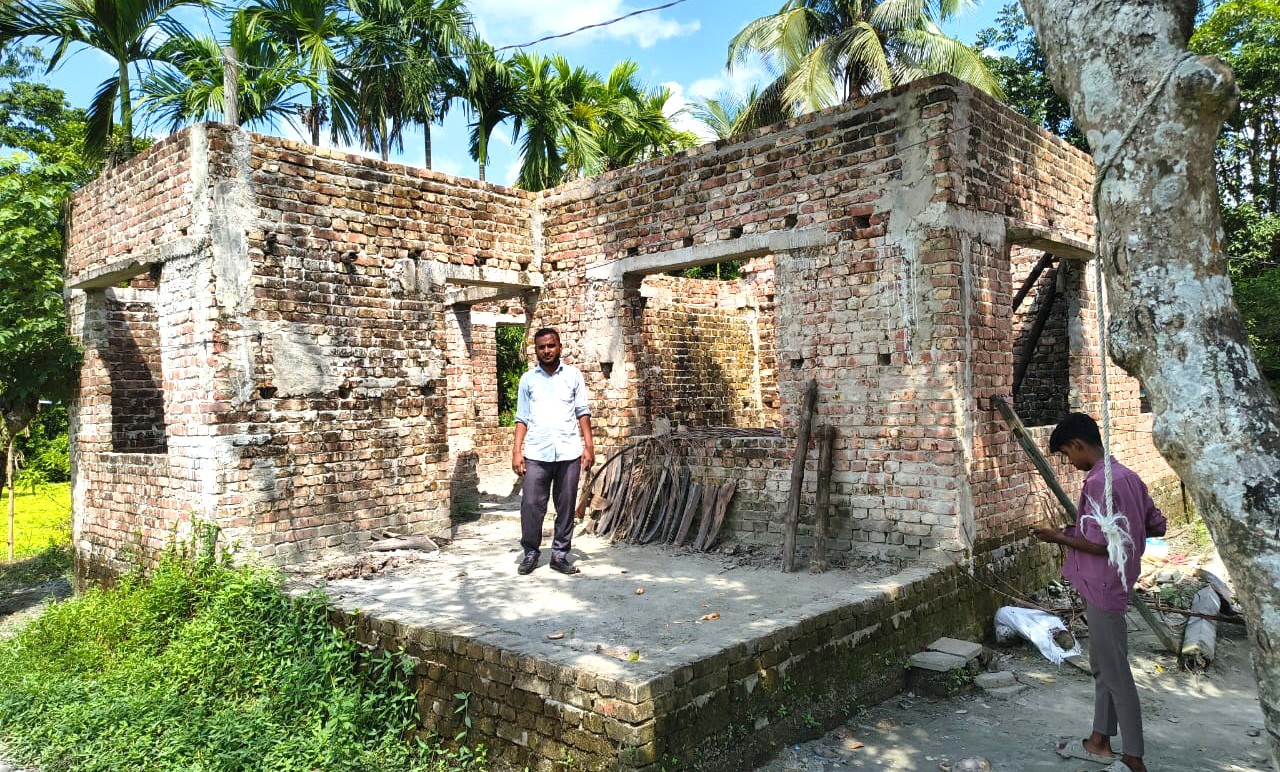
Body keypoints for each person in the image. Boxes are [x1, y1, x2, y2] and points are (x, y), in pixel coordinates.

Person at [1033, 413, 1166, 772]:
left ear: (1077, 445)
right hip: (1113, 582)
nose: (1068, 462)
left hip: (1104, 583)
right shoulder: (1128, 475)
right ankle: (1099, 739)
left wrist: (1058, 537)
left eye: (1065, 454)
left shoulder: (1099, 482)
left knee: (1115, 672)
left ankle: (1134, 756)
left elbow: (1099, 544)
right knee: (1103, 666)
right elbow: (1156, 523)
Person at [511, 327, 594, 575]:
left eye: (550, 346)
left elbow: (583, 412)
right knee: (531, 505)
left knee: (566, 505)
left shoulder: (573, 376)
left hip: (569, 451)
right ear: (536, 350)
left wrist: (589, 446)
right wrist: (517, 451)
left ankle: (559, 555)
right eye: (541, 347)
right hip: (537, 452)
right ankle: (531, 553)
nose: (546, 351)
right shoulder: (528, 380)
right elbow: (521, 417)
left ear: (559, 347)